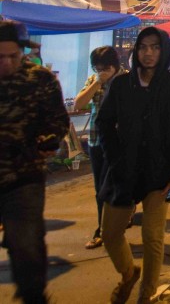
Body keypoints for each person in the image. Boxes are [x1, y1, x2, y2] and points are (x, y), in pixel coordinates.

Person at [96, 27, 170, 304]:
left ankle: (147, 294)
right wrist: (114, 157)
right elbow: (104, 123)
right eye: (143, 47)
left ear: (164, 51)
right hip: (122, 171)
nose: (148, 53)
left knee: (153, 236)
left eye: (155, 47)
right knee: (110, 232)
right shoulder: (121, 85)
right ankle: (128, 273)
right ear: (136, 51)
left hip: (160, 174)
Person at [0, 20, 70, 304]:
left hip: (24, 178)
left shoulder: (40, 80)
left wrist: (48, 142)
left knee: (26, 245)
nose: (5, 63)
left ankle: (33, 296)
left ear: (22, 52)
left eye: (12, 56)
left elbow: (58, 121)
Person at [75, 46, 126, 250]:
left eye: (105, 68)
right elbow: (79, 104)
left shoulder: (128, 81)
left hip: (121, 144)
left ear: (114, 66)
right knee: (100, 189)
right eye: (97, 68)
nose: (101, 71)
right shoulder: (94, 80)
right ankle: (103, 229)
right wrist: (97, 83)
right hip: (97, 142)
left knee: (117, 187)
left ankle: (113, 227)